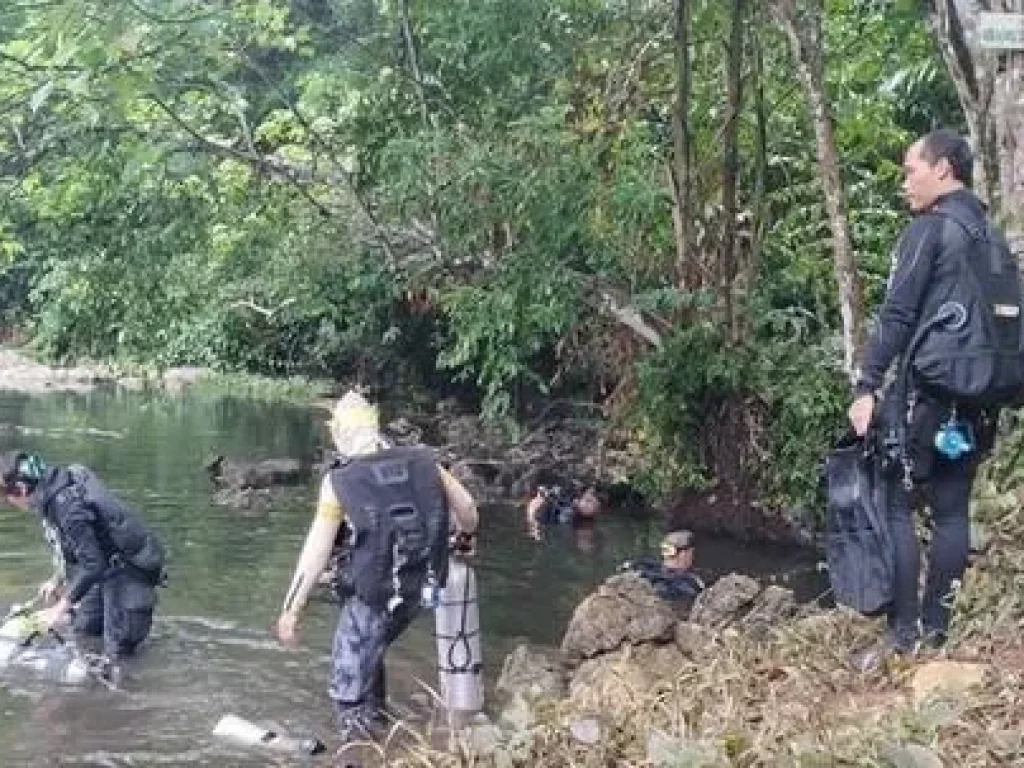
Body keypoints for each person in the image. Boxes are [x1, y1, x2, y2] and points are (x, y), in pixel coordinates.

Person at [847, 128, 1007, 671]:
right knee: (951, 511)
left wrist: (867, 384)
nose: (904, 182)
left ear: (943, 170)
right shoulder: (991, 235)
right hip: (980, 399)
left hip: (926, 396)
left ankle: (904, 632)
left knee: (895, 505)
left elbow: (897, 316)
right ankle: (937, 631)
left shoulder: (929, 231)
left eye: (910, 169)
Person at [273, 390, 478, 753]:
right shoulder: (424, 460)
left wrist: (293, 607)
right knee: (375, 647)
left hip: (374, 593)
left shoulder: (339, 481)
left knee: (347, 686)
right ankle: (383, 727)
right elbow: (468, 508)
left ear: (336, 432)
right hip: (423, 587)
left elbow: (316, 550)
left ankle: (359, 751)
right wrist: (464, 536)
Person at [0, 451, 165, 673]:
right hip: (103, 568)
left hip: (129, 572)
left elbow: (92, 562)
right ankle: (86, 695)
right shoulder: (51, 489)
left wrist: (60, 607)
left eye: (6, 498)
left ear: (20, 489)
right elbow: (76, 544)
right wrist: (58, 579)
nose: (9, 504)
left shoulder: (66, 503)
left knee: (119, 658)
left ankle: (122, 698)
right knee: (84, 632)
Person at [621, 529, 704, 602]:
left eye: (668, 550)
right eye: (664, 549)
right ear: (686, 553)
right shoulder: (690, 583)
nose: (665, 555)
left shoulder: (642, 567)